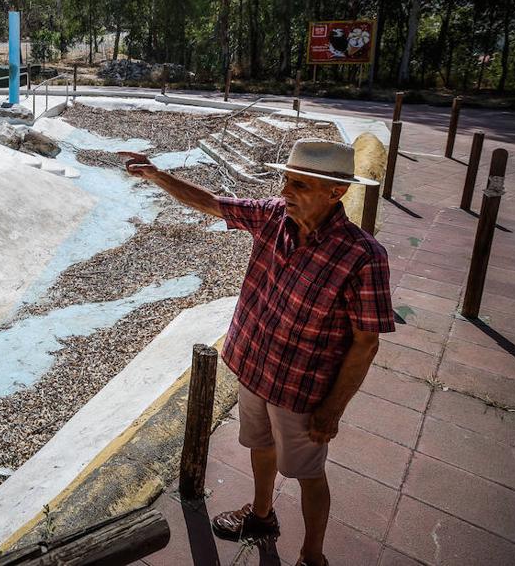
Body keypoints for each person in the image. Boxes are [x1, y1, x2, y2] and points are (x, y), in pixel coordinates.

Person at [122, 138, 394, 566]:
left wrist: (333, 409)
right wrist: (157, 175)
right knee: (259, 444)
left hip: (303, 389)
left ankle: (312, 555)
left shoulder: (362, 256)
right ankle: (262, 514)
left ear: (336, 192)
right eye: (286, 180)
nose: (286, 191)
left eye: (300, 186)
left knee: (307, 473)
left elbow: (366, 342)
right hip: (255, 367)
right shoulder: (272, 217)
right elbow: (212, 203)